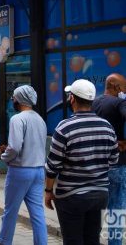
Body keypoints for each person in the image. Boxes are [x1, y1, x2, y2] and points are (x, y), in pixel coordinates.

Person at [45, 79, 119, 245]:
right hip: (100, 194)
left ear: (72, 98)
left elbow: (52, 165)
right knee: (92, 239)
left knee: (73, 240)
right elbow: (113, 160)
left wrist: (48, 190)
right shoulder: (107, 127)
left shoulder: (64, 127)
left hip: (71, 196)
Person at [0, 85, 47, 245]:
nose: (12, 100)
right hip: (39, 170)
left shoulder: (17, 119)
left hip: (20, 170)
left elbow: (15, 147)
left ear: (19, 100)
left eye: (14, 97)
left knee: (10, 211)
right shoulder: (40, 120)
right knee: (38, 214)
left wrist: (4, 156)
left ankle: (4, 242)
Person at [92, 73, 126, 245]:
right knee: (115, 210)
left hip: (95, 166)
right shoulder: (120, 103)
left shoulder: (94, 103)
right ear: (116, 86)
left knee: (96, 209)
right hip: (116, 165)